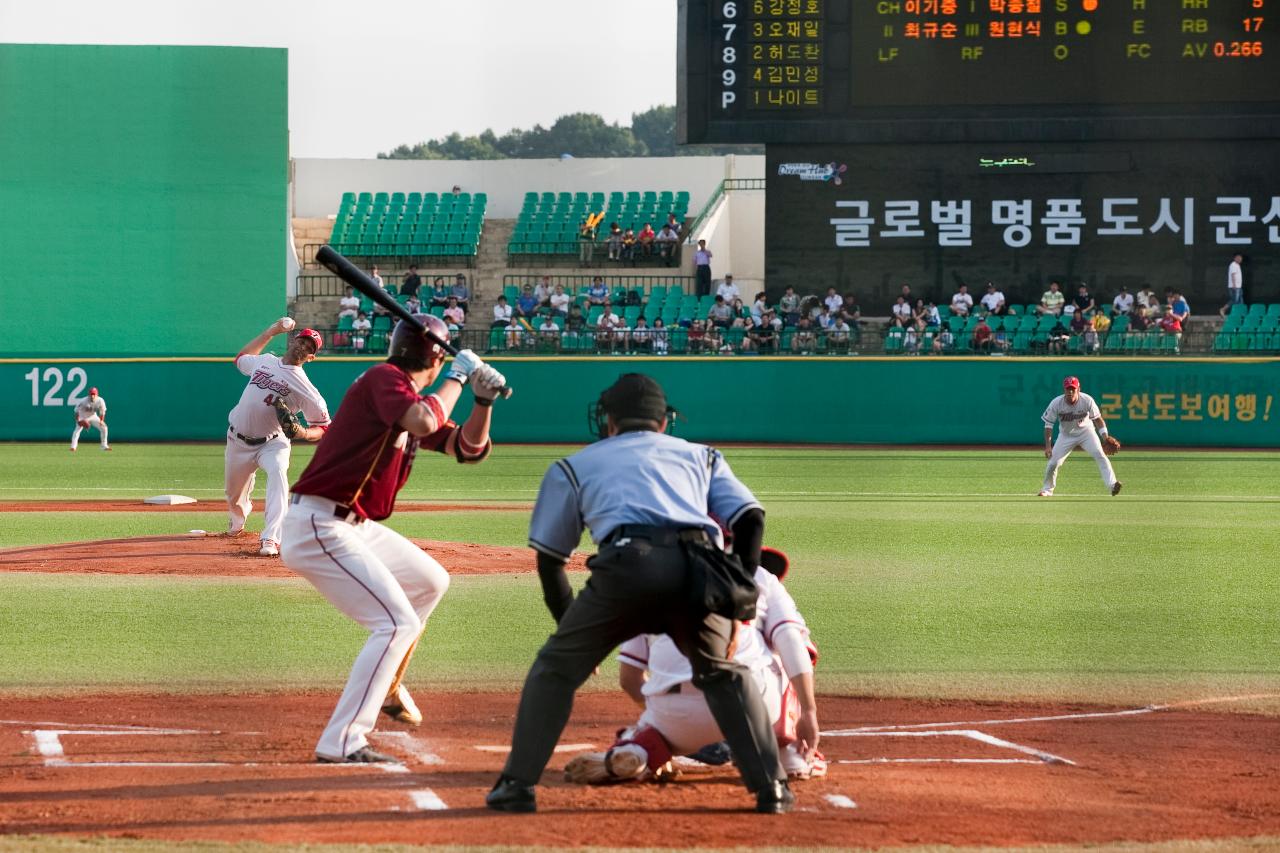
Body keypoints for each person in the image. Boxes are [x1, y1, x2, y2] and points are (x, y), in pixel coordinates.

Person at [486, 374, 794, 814]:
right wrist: (741, 583)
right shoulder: (701, 455)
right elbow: (750, 517)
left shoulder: (574, 465)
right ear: (663, 421)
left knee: (554, 670)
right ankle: (772, 789)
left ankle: (516, 786)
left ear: (608, 421)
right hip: (697, 570)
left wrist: (574, 634)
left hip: (626, 568)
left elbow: (551, 559)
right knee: (725, 674)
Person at [282, 316, 506, 763]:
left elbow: (467, 449)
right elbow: (424, 421)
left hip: (353, 524)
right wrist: (460, 376)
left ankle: (388, 684)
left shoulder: (406, 398)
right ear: (436, 358)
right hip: (319, 524)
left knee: (431, 580)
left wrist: (483, 401)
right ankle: (341, 741)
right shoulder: (387, 380)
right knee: (396, 623)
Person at [563, 547, 823, 786]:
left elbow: (629, 678)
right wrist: (809, 712)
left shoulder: (649, 583)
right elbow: (791, 642)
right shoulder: (761, 576)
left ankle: (640, 747)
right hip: (750, 702)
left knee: (658, 720)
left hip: (677, 715)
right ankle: (787, 753)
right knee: (784, 648)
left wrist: (662, 721)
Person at [225, 320, 331, 557]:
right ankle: (238, 518)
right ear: (294, 341)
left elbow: (323, 427)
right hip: (237, 441)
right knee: (234, 496)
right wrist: (271, 332)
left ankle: (271, 538)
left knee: (278, 474)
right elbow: (241, 358)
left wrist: (303, 433)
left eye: (310, 347)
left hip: (273, 443)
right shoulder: (266, 361)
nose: (304, 346)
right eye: (302, 340)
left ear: (311, 358)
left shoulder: (307, 389)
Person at [1039, 376, 1121, 497]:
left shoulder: (1087, 400)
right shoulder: (1056, 403)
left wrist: (1105, 437)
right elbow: (1048, 425)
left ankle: (1112, 485)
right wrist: (1048, 446)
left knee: (1100, 455)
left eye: (1073, 389)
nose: (1070, 392)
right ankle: (1047, 490)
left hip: (1086, 433)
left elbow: (1098, 420)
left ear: (1078, 389)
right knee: (1053, 463)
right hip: (1066, 436)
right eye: (1068, 389)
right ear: (1064, 390)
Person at [70, 386, 110, 451]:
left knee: (104, 427)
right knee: (77, 430)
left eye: (94, 394)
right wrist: (78, 421)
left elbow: (102, 412)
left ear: (97, 395)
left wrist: (101, 421)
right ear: (89, 394)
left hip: (93, 416)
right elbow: (76, 411)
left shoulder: (100, 400)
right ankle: (73, 447)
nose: (92, 396)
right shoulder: (83, 401)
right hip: (82, 416)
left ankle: (104, 446)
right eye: (91, 394)